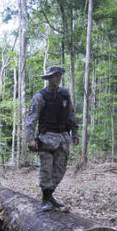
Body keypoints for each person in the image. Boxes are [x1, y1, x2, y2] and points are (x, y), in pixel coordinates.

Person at [25, 66, 79, 212]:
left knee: (60, 170)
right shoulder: (40, 97)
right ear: (48, 78)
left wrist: (75, 132)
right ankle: (45, 198)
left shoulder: (64, 94)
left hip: (62, 138)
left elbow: (71, 113)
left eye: (59, 76)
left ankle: (50, 196)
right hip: (46, 138)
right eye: (54, 76)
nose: (57, 78)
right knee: (46, 169)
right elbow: (31, 118)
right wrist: (30, 138)